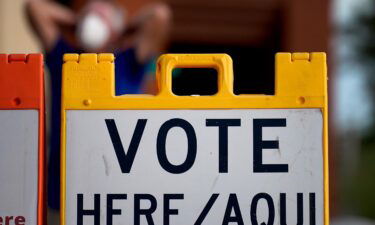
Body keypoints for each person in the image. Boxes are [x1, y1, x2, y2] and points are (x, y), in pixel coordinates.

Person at [25, 0, 171, 214]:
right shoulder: (65, 59)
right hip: (64, 189)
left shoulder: (129, 60)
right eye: (89, 14)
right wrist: (77, 21)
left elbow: (160, 15)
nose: (93, 19)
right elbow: (34, 8)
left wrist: (123, 28)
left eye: (101, 15)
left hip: (121, 189)